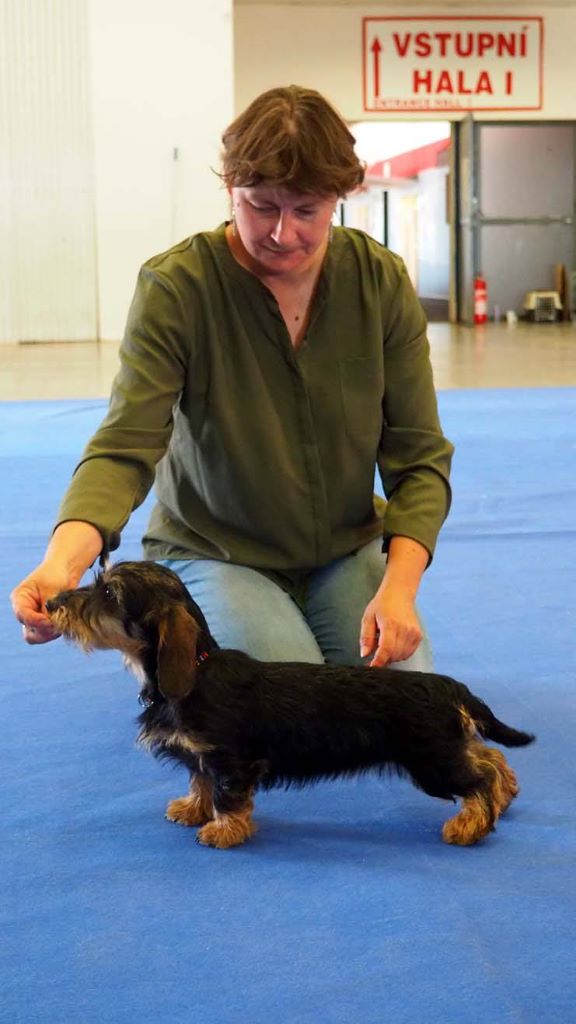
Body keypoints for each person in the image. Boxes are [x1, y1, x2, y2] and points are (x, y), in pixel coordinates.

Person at [11, 84, 454, 670]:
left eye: (308, 210)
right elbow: (124, 447)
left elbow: (418, 456)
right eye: (261, 206)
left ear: (342, 196)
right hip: (216, 551)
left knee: (398, 693)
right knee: (277, 712)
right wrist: (61, 565)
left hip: (346, 550)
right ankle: (175, 633)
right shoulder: (176, 288)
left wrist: (398, 589)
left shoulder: (380, 281)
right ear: (229, 188)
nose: (282, 233)